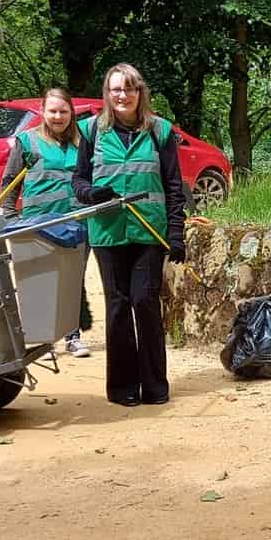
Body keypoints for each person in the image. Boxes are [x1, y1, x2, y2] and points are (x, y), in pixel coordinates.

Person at [73, 63, 187, 407]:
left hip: (149, 231)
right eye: (115, 89)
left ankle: (155, 385)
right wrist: (91, 194)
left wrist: (177, 233)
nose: (122, 95)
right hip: (107, 233)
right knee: (119, 306)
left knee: (145, 303)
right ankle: (122, 388)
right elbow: (78, 181)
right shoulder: (92, 131)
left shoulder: (160, 132)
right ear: (107, 94)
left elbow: (173, 186)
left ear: (140, 92)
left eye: (129, 88)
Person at [5, 86, 95, 358]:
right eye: (52, 111)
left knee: (72, 279)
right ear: (42, 111)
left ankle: (72, 336)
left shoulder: (83, 142)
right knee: (38, 280)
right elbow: (9, 182)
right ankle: (41, 340)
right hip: (38, 224)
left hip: (77, 223)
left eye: (63, 111)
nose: (58, 116)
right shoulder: (27, 141)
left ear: (71, 113)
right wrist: (10, 219)